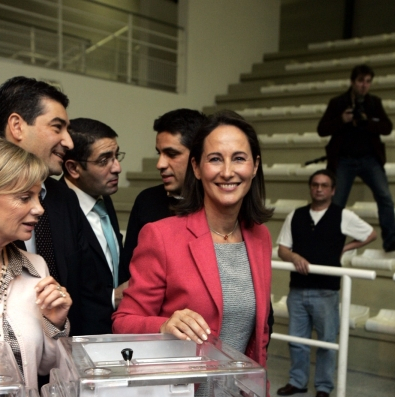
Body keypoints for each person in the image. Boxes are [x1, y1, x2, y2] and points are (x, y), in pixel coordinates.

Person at [113, 110, 273, 375]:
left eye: (239, 159)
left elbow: (261, 335)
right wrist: (164, 326)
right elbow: (123, 322)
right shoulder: (161, 236)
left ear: (255, 166)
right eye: (215, 159)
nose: (227, 171)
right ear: (197, 168)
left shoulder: (260, 237)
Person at [0, 139, 73, 397]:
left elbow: (48, 365)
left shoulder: (35, 267)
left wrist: (56, 322)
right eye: (24, 196)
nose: (39, 208)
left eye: (39, 195)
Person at [276, 169, 376, 397]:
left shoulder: (343, 215)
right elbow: (282, 249)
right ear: (311, 188)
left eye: (324, 185)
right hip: (297, 289)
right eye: (315, 184)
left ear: (332, 190)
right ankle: (298, 382)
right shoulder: (296, 215)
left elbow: (370, 234)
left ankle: (323, 386)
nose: (319, 188)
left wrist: (344, 248)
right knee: (297, 340)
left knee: (327, 341)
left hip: (326, 291)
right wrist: (294, 257)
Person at [0, 75, 89, 335]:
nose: (69, 142)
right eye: (57, 127)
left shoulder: (64, 198)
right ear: (17, 126)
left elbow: (82, 289)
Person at [317, 64, 395, 253]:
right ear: (353, 81)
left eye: (368, 82)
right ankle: (330, 243)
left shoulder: (374, 103)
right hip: (344, 160)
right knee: (336, 203)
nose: (364, 85)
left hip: (370, 159)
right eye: (361, 81)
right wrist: (342, 120)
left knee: (385, 197)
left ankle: (391, 240)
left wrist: (367, 121)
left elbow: (387, 127)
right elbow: (321, 129)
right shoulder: (338, 102)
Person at [63, 118, 128, 333]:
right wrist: (112, 297)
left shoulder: (103, 197)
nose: (117, 168)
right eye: (104, 160)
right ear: (73, 168)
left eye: (116, 156)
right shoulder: (55, 210)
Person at [122, 108, 206, 272]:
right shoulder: (146, 200)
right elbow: (128, 273)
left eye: (171, 154)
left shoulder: (219, 204)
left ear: (198, 156)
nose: (160, 164)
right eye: (159, 153)